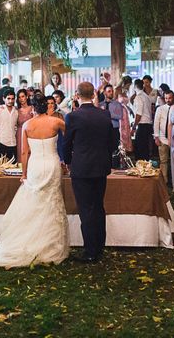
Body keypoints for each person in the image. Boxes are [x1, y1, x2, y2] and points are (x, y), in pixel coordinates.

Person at [0, 94, 68, 267]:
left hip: (35, 165)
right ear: (47, 106)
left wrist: (24, 173)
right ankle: (51, 243)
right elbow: (69, 140)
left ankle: (30, 239)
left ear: (33, 108)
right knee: (51, 200)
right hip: (52, 163)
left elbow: (24, 152)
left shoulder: (27, 125)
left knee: (35, 200)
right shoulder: (57, 122)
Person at [63, 82, 115, 263]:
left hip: (82, 167)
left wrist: (68, 161)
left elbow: (66, 143)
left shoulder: (73, 117)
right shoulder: (104, 114)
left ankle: (90, 251)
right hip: (101, 166)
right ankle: (99, 246)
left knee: (86, 209)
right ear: (94, 94)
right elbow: (112, 142)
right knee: (98, 206)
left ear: (77, 95)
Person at [99, 84, 123, 168]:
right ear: (105, 93)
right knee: (104, 149)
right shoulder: (100, 104)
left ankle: (115, 167)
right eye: (109, 91)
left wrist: (107, 114)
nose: (111, 93)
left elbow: (120, 116)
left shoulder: (117, 104)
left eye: (112, 91)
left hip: (114, 129)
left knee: (114, 149)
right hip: (103, 130)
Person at [153, 90, 174, 184]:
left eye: (169, 98)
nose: (168, 100)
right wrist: (156, 137)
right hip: (162, 138)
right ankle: (164, 181)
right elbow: (156, 123)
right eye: (166, 98)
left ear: (173, 98)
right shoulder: (160, 109)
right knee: (163, 160)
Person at [131, 79, 153, 161]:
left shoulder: (139, 97)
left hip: (142, 125)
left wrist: (133, 127)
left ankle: (140, 169)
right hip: (148, 125)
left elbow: (139, 114)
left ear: (135, 86)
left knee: (139, 149)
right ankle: (146, 167)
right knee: (145, 149)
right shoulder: (146, 96)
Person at [15, 89, 34, 163]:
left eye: (23, 96)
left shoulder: (32, 108)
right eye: (19, 97)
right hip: (19, 134)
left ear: (27, 97)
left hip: (30, 134)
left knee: (30, 152)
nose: (21, 99)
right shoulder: (17, 109)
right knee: (21, 152)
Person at [46, 95, 65, 164]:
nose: (50, 105)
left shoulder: (59, 115)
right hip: (47, 140)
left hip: (58, 140)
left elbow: (64, 130)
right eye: (48, 103)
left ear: (54, 104)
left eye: (52, 103)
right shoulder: (43, 115)